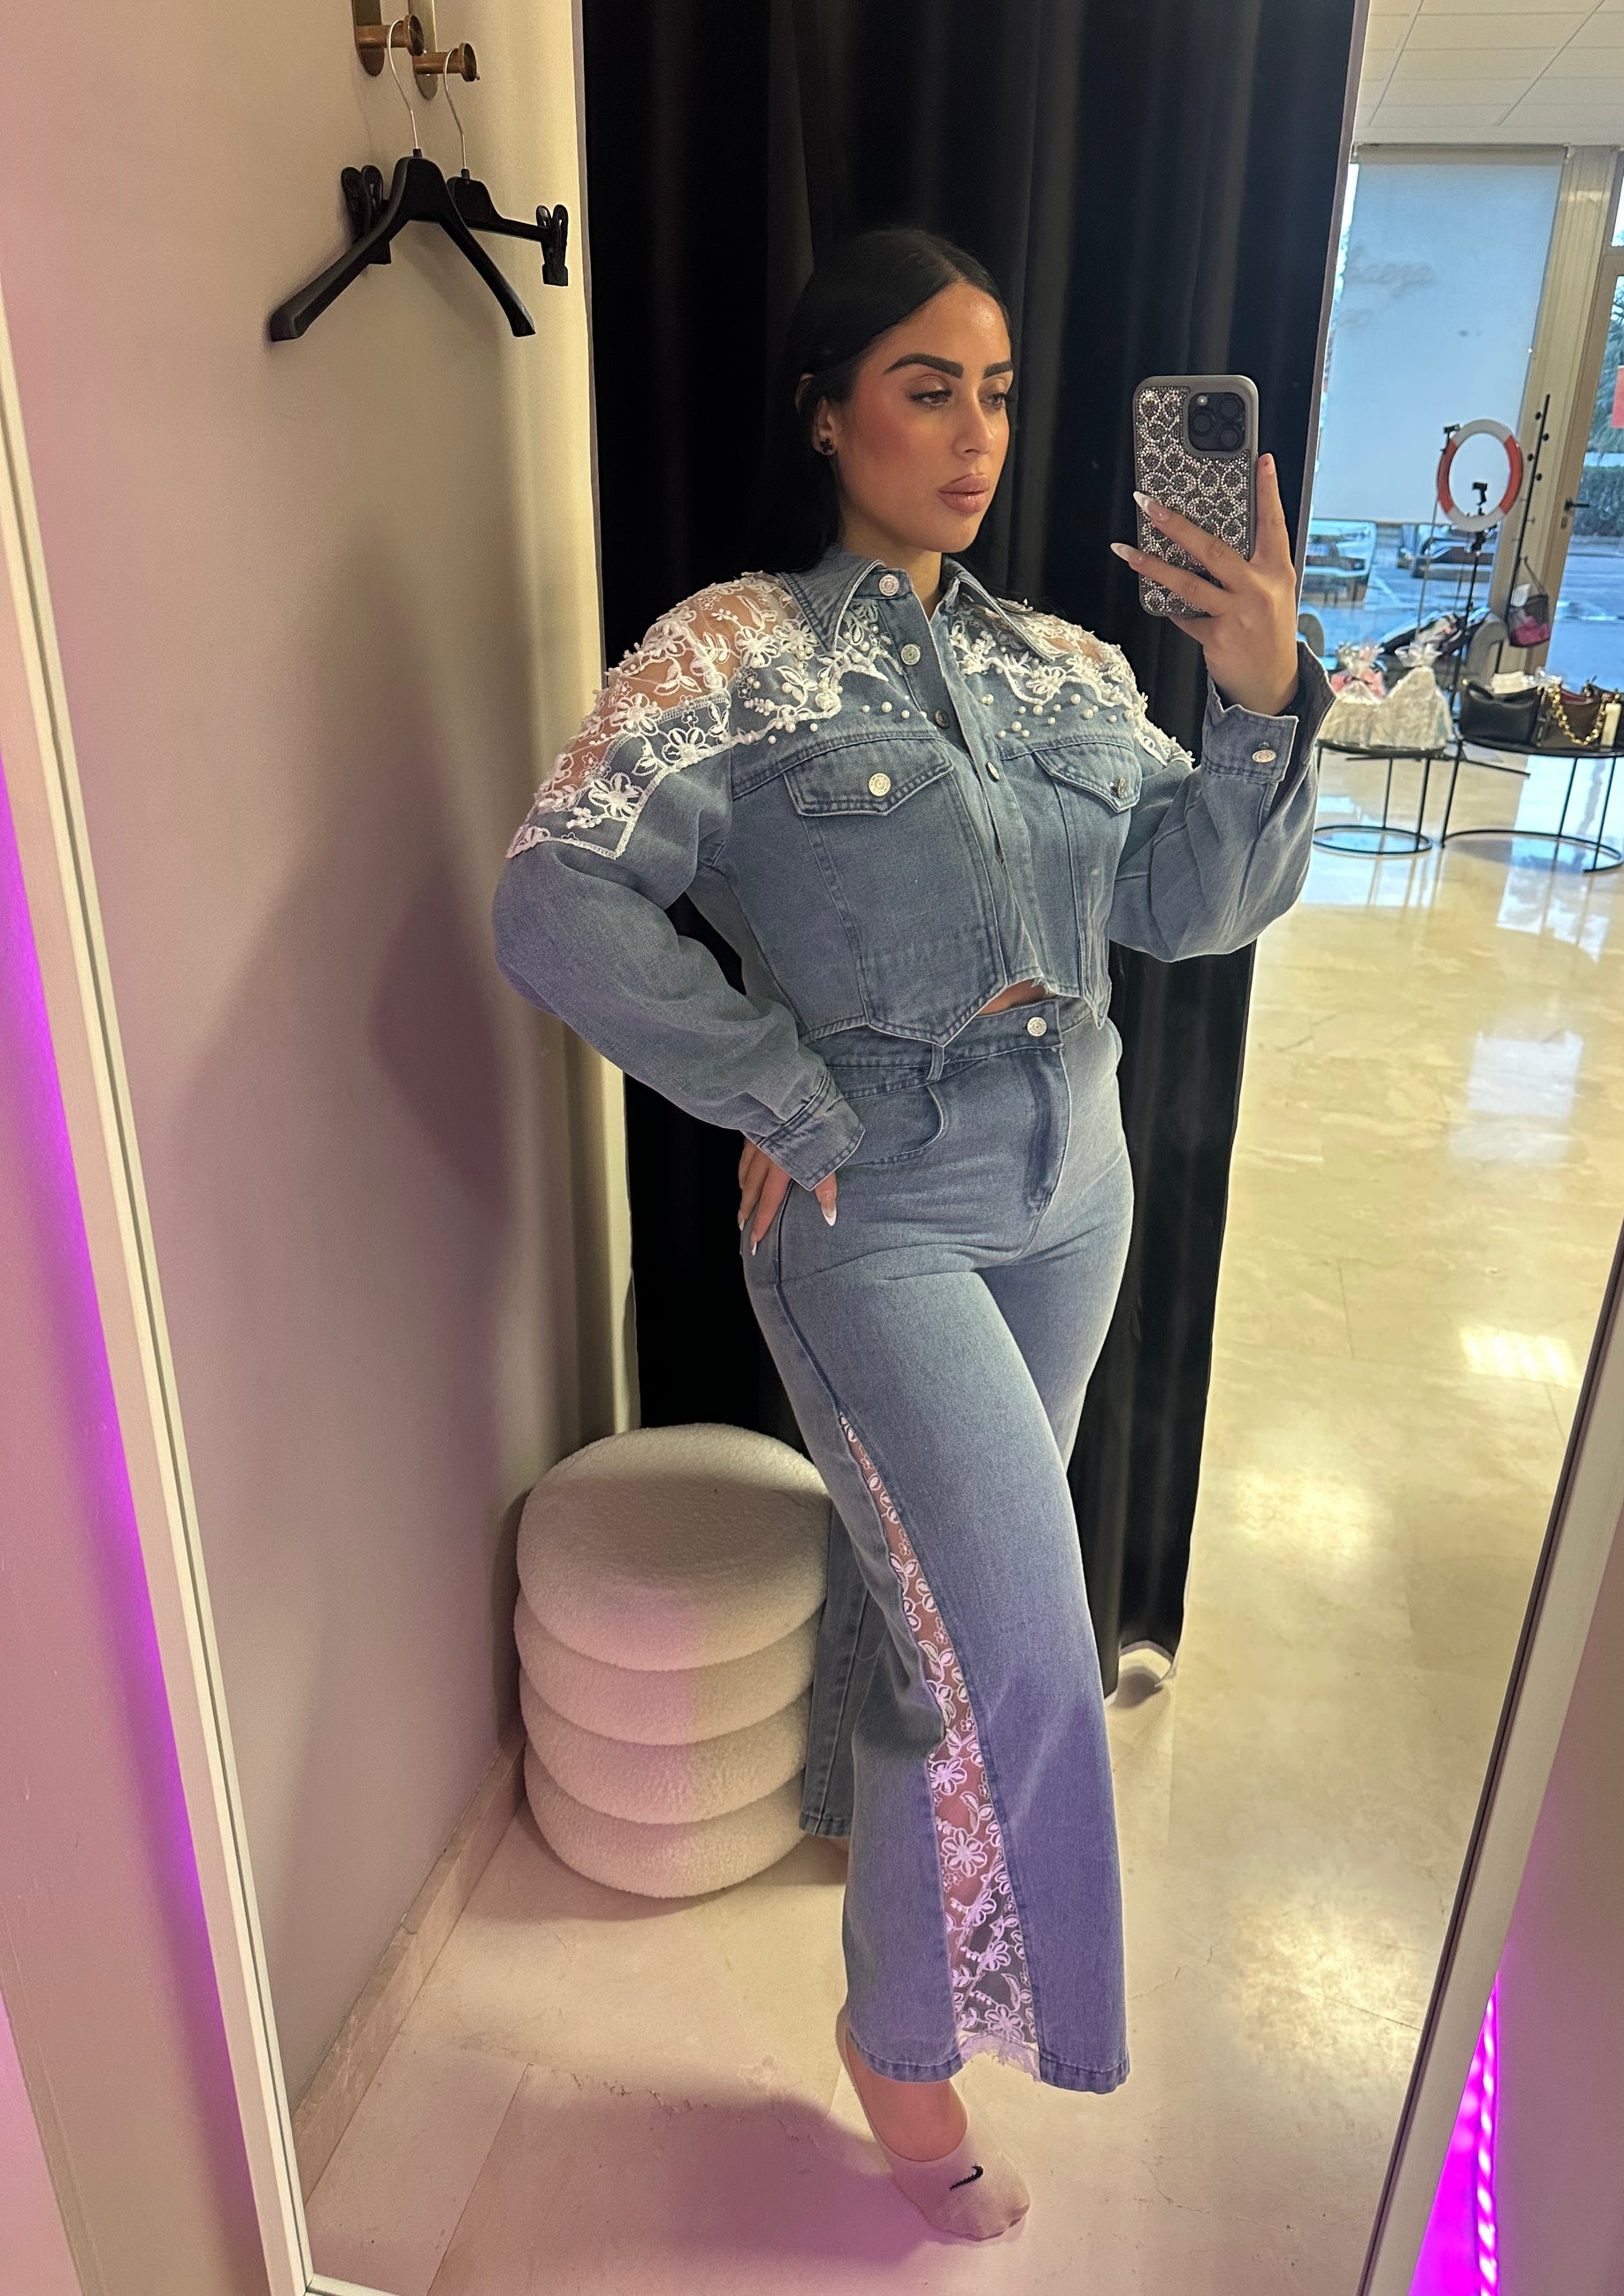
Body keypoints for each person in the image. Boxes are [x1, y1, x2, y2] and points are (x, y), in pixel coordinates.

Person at [493, 227, 1328, 2240]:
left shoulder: (1065, 663)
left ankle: (878, 1926)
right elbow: (554, 897)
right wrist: (780, 1093)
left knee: (932, 1626)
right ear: (826, 411)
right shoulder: (731, 651)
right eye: (927, 387)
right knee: (1017, 1645)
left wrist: (1260, 700)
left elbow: (1188, 904)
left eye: (1000, 393)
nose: (974, 436)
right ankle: (905, 2047)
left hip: (1075, 1182)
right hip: (880, 1208)